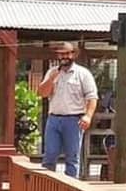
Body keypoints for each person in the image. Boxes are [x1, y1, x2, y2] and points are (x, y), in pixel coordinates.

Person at [37, 41, 99, 178]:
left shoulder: (83, 74)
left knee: (72, 157)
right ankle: (48, 186)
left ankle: (71, 189)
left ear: (73, 54)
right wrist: (52, 78)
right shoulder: (52, 72)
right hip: (54, 119)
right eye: (60, 54)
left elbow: (92, 97)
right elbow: (42, 93)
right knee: (50, 155)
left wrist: (88, 116)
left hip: (74, 120)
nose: (63, 57)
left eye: (66, 53)